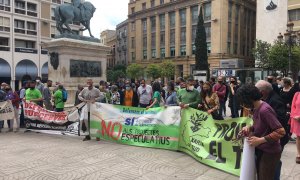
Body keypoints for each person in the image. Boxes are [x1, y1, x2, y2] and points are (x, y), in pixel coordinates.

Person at [237, 84, 286, 180]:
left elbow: (281, 131)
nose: (242, 104)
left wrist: (260, 140)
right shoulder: (257, 108)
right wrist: (249, 128)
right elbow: (261, 125)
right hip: (262, 150)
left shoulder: (264, 110)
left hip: (269, 152)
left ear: (248, 99)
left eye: (242, 101)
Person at [290, 91, 300, 164]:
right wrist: (294, 116)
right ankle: (299, 154)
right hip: (297, 119)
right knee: (299, 137)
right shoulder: (297, 94)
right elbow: (293, 106)